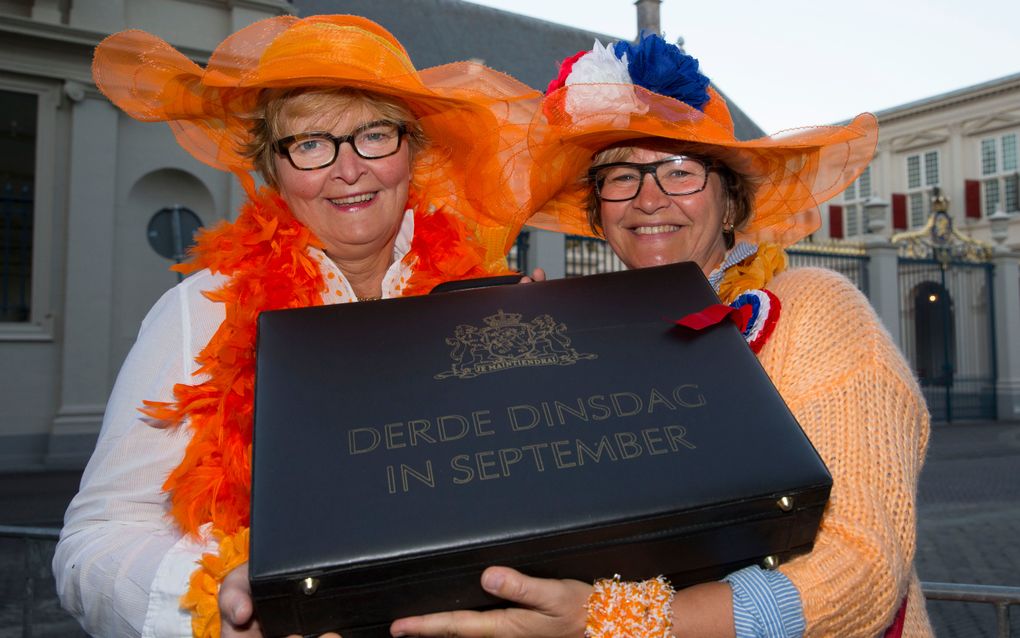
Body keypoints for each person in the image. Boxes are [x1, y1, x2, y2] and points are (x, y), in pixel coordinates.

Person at [390, 35, 933, 638]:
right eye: (621, 176)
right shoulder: (591, 337)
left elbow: (860, 572)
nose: (649, 199)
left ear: (729, 203)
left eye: (679, 171)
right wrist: (514, 380)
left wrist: (617, 621)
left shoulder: (814, 312)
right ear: (600, 213)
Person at [53, 15, 541, 638]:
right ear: (274, 167)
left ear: (410, 150)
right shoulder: (199, 311)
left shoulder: (481, 304)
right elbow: (93, 542)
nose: (348, 169)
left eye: (374, 135)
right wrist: (217, 603)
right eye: (311, 143)